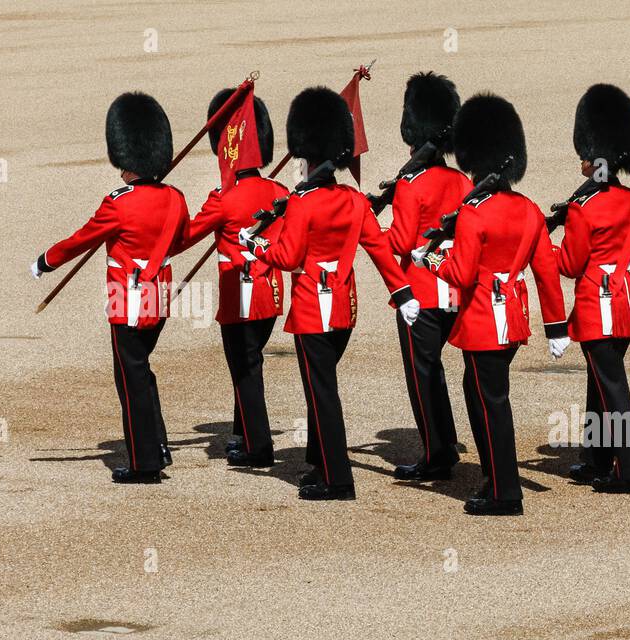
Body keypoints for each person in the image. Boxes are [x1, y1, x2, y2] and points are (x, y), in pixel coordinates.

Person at [242, 86, 420, 500]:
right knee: (323, 388)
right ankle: (321, 463)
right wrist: (404, 292)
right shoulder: (355, 200)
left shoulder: (302, 202)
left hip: (310, 308)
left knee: (322, 393)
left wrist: (255, 246)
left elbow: (287, 257)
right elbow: (379, 251)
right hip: (343, 308)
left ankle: (337, 479)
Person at [413, 93, 567, 516]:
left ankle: (503, 490)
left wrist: (430, 257)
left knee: (490, 401)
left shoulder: (474, 213)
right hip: (512, 319)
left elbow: (460, 275)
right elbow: (547, 272)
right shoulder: (529, 209)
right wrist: (556, 326)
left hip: (483, 317)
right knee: (482, 393)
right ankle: (494, 474)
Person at [31, 91, 188, 484]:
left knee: (130, 377)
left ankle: (143, 464)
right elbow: (181, 239)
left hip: (128, 300)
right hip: (159, 297)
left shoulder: (119, 203)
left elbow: (79, 240)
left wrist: (45, 261)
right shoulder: (176, 199)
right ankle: (158, 446)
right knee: (141, 371)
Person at [556, 83, 630, 495]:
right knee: (600, 380)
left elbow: (569, 264)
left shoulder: (583, 208)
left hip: (595, 302)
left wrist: (541, 248)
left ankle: (628, 470)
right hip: (628, 303)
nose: (581, 164)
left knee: (611, 385)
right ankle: (596, 458)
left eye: (585, 157)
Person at [179, 88, 287, 468]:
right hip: (272, 293)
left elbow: (184, 238)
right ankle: (243, 434)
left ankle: (258, 447)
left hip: (239, 295)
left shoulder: (223, 198)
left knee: (244, 367)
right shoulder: (279, 192)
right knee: (251, 361)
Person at [383, 71, 471, 482]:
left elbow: (400, 243)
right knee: (445, 370)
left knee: (424, 374)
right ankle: (449, 442)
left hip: (419, 293)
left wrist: (369, 223)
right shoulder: (462, 180)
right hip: (454, 288)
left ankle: (436, 454)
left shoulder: (409, 183)